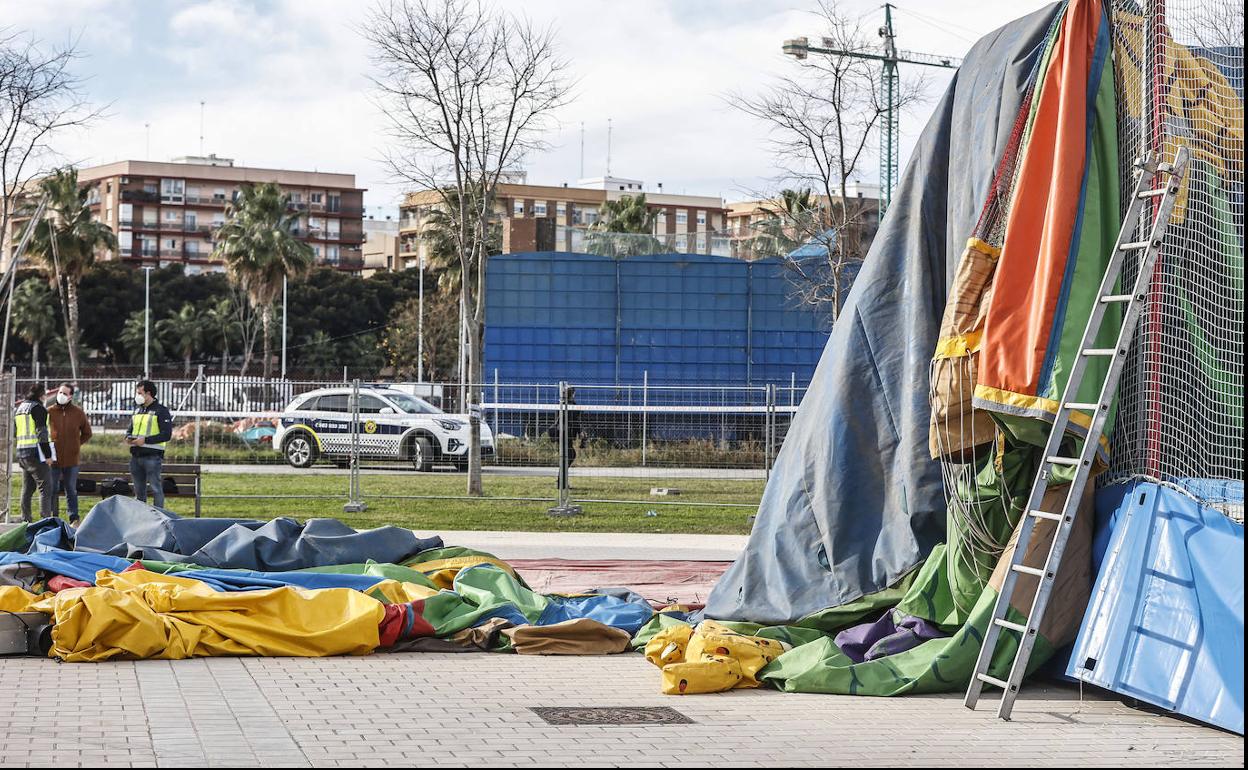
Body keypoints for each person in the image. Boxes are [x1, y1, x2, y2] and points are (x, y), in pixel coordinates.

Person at [47, 382, 92, 525]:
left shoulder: (78, 412)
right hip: (53, 459)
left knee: (71, 490)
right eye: (60, 392)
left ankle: (74, 518)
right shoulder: (50, 411)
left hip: (72, 460)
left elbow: (87, 433)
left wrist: (76, 445)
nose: (61, 395)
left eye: (65, 393)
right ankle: (53, 517)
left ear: (71, 396)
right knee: (52, 488)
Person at [127, 380, 173, 508]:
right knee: (139, 492)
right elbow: (130, 429)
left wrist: (145, 440)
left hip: (152, 457)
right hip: (136, 456)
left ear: (148, 393)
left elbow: (166, 435)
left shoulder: (161, 411)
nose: (137, 396)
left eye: (139, 393)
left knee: (156, 489)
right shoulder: (137, 410)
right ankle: (141, 518)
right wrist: (128, 437)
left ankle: (159, 516)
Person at [13, 383, 54, 522]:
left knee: (28, 489)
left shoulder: (19, 409)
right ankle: (45, 522)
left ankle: (26, 521)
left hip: (21, 452)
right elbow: (42, 434)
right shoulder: (38, 409)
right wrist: (48, 455)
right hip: (36, 454)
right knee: (46, 487)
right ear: (41, 395)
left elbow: (15, 432)